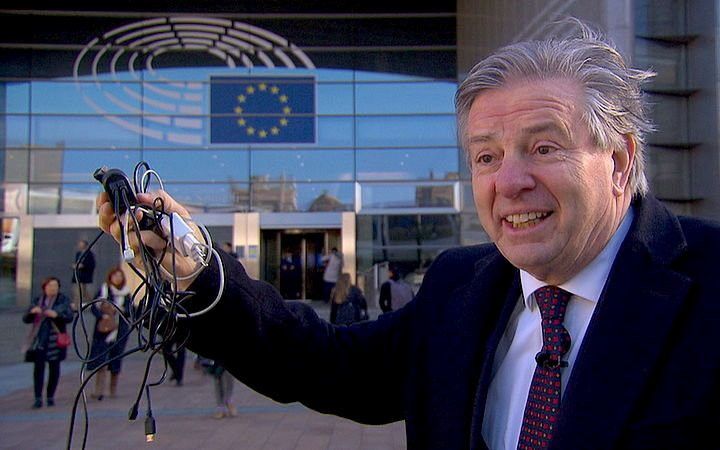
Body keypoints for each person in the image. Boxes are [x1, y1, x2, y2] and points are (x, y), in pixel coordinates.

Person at [98, 19, 720, 449]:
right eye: (485, 156)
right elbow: (324, 364)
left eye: (544, 147)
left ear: (618, 161)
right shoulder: (459, 285)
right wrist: (197, 269)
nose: (510, 181)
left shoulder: (710, 286)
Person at [22, 276, 74, 409]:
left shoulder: (63, 300)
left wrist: (56, 315)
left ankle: (50, 396)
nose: (53, 288)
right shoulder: (38, 300)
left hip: (55, 340)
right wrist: (32, 312)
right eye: (50, 286)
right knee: (38, 369)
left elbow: (69, 317)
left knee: (54, 369)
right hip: (40, 340)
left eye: (55, 286)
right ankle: (38, 398)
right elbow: (26, 318)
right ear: (44, 287)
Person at [87, 267, 131, 400]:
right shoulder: (104, 291)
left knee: (116, 359)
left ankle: (113, 390)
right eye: (115, 276)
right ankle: (98, 391)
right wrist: (102, 315)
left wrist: (121, 310)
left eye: (120, 276)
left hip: (120, 331)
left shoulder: (126, 293)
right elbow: (94, 306)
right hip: (103, 330)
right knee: (101, 361)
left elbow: (130, 311)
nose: (117, 278)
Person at [71, 239, 96, 311]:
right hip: (78, 275)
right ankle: (93, 304)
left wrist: (83, 265)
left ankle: (77, 306)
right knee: (82, 292)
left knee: (79, 292)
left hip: (84, 276)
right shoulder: (78, 254)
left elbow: (91, 264)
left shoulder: (89, 254)